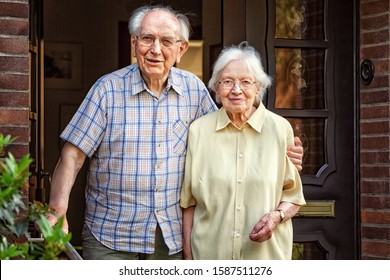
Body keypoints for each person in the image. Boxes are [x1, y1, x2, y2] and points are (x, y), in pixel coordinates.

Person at [47, 5, 304, 260]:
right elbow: (72, 156)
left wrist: (280, 152)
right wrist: (58, 211)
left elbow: (227, 133)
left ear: (181, 49)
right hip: (111, 235)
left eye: (166, 41)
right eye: (147, 38)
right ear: (134, 43)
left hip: (168, 238)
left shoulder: (193, 90)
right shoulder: (107, 90)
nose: (155, 50)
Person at [180, 41, 306, 260]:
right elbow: (189, 204)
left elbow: (293, 196)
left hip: (265, 259)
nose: (236, 90)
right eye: (227, 81)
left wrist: (277, 216)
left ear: (258, 87)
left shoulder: (279, 129)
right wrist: (189, 260)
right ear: (216, 88)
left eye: (245, 82)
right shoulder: (199, 131)